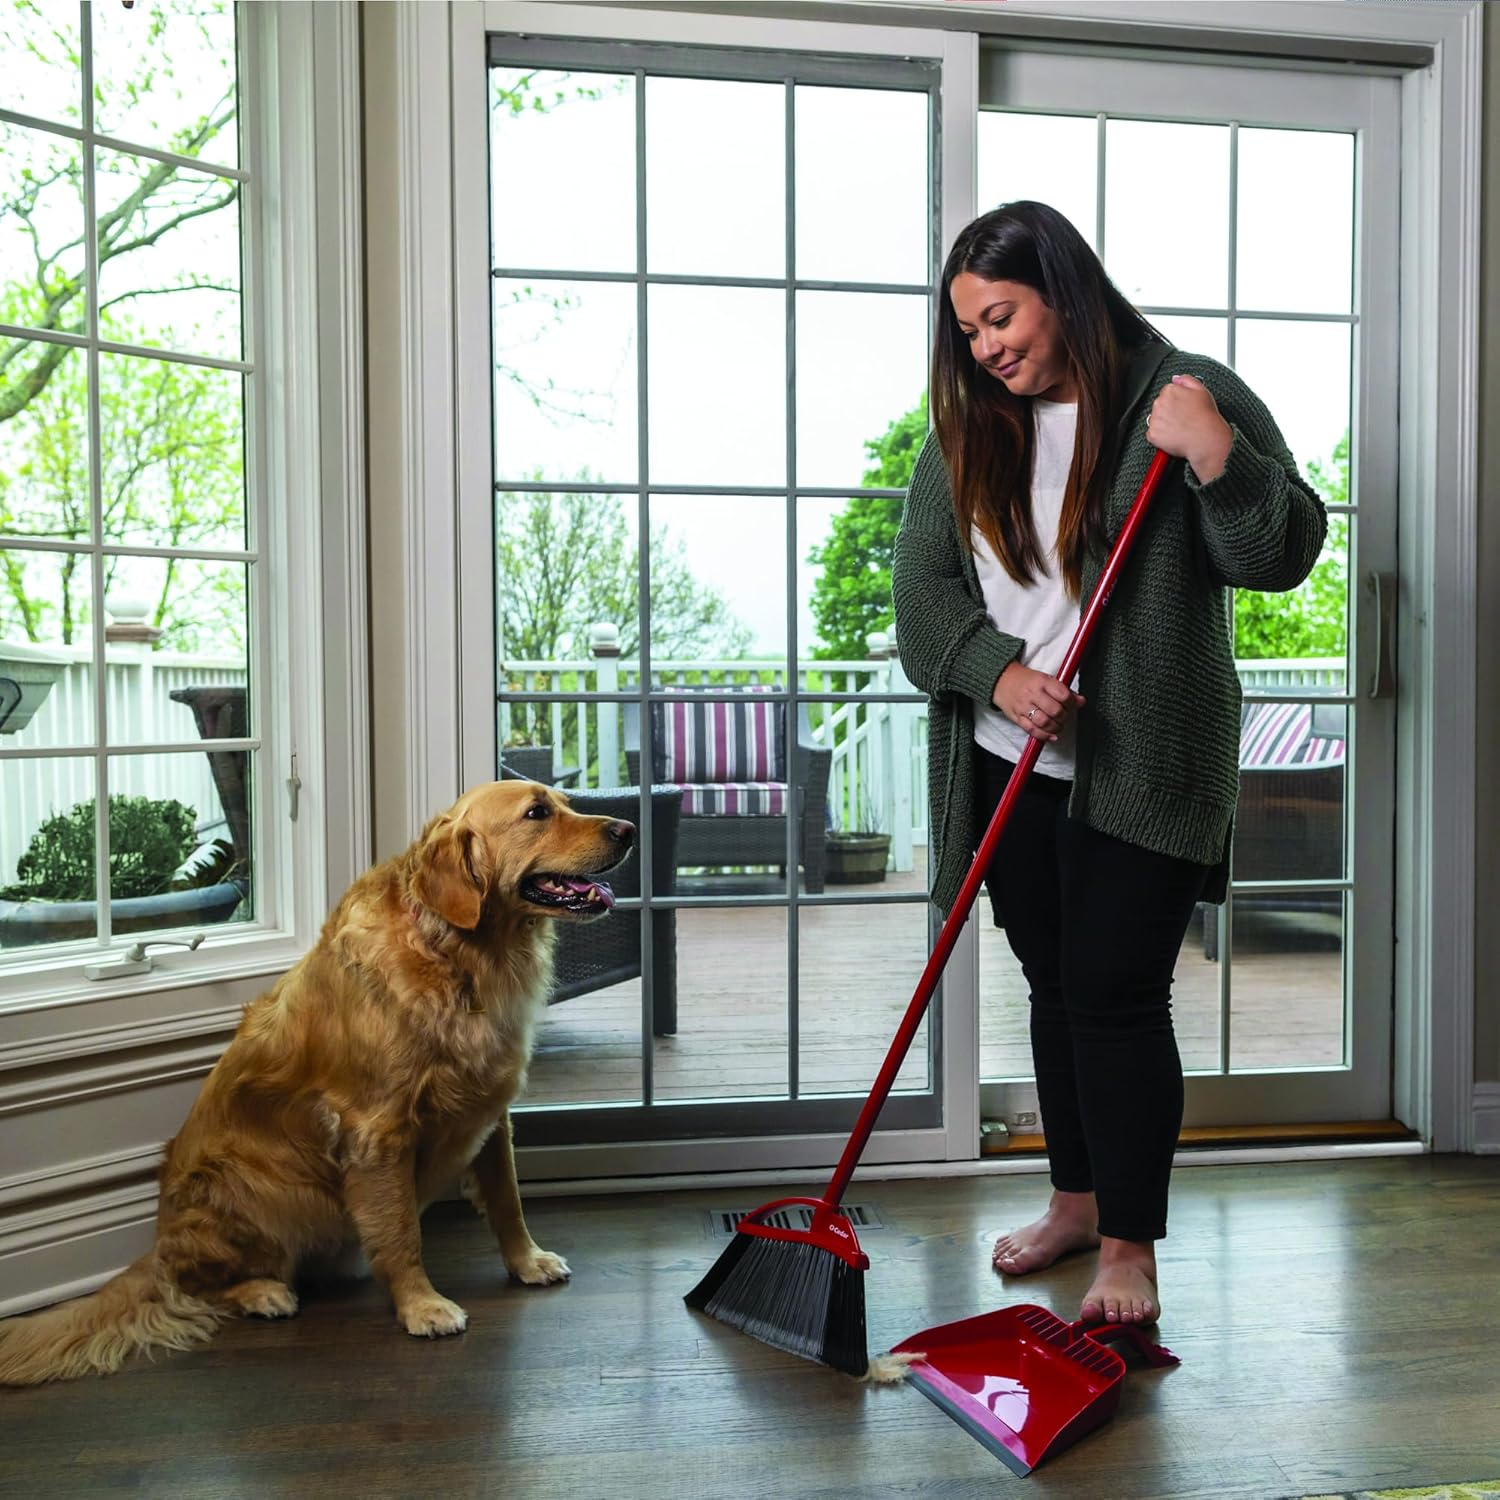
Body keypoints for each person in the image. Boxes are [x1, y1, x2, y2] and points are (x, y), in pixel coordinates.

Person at [891, 201, 1326, 1326]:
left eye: (1002, 317)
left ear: (1063, 290)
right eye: (971, 333)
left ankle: (1130, 1248)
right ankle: (1076, 1200)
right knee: (1054, 983)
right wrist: (998, 674)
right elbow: (921, 601)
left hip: (1144, 760)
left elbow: (1279, 554)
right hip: (1006, 757)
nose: (987, 348)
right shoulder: (969, 430)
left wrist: (1219, 456)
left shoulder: (1183, 394)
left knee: (1118, 994)